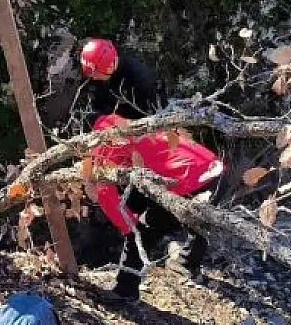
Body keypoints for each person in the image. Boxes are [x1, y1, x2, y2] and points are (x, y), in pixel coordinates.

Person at [88, 114, 226, 302]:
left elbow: (104, 192)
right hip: (215, 170)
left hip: (191, 180)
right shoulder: (143, 129)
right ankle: (186, 263)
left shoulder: (108, 145)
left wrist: (128, 226)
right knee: (199, 221)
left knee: (142, 231)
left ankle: (124, 290)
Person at [80, 38, 164, 126]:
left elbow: (148, 116)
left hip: (143, 117)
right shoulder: (104, 75)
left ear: (109, 67)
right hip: (120, 112)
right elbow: (99, 103)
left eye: (94, 74)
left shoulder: (139, 79)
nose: (93, 78)